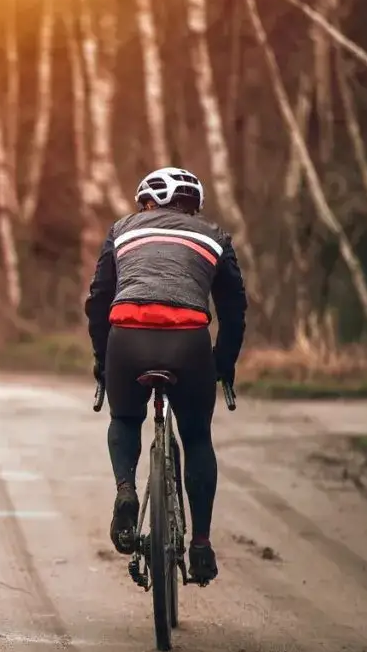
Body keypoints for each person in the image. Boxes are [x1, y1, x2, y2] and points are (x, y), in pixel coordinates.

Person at [83, 166, 247, 583]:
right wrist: (222, 364)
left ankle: (125, 491)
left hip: (127, 337)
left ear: (148, 202)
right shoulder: (214, 236)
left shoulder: (122, 230)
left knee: (124, 419)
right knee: (195, 437)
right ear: (192, 206)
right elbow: (233, 311)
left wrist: (104, 360)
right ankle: (202, 545)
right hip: (188, 341)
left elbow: (99, 298)